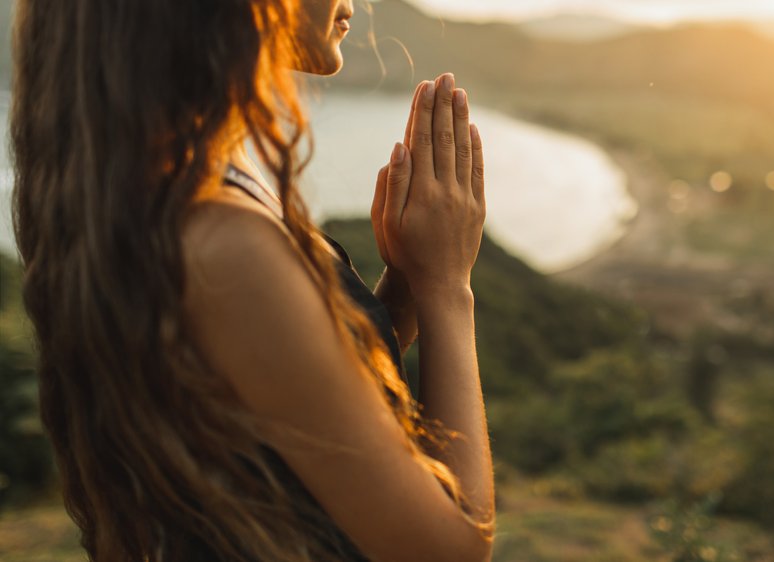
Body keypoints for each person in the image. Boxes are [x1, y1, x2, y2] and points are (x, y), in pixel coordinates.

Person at [9, 0, 495, 560]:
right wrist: (447, 288)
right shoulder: (222, 241)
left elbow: (292, 409)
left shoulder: (182, 184)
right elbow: (449, 548)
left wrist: (406, 285)